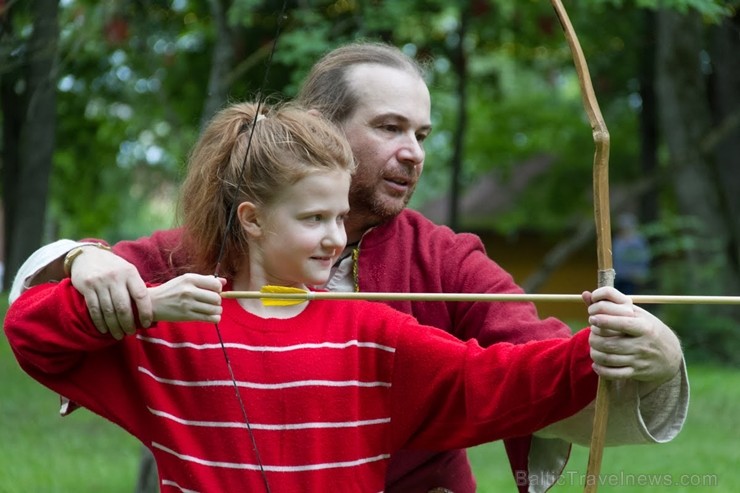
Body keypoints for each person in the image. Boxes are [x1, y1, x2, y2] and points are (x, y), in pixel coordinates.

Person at [9, 43, 687, 493]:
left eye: (422, 134)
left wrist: (631, 357)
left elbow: (518, 366)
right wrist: (84, 260)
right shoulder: (197, 261)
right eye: (391, 127)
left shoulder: (440, 260)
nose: (414, 152)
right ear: (323, 127)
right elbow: (53, 312)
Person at [613, 213, 651, 295]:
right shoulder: (617, 239)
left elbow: (643, 257)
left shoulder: (638, 240)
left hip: (632, 276)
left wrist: (641, 273)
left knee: (629, 297)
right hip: (618, 275)